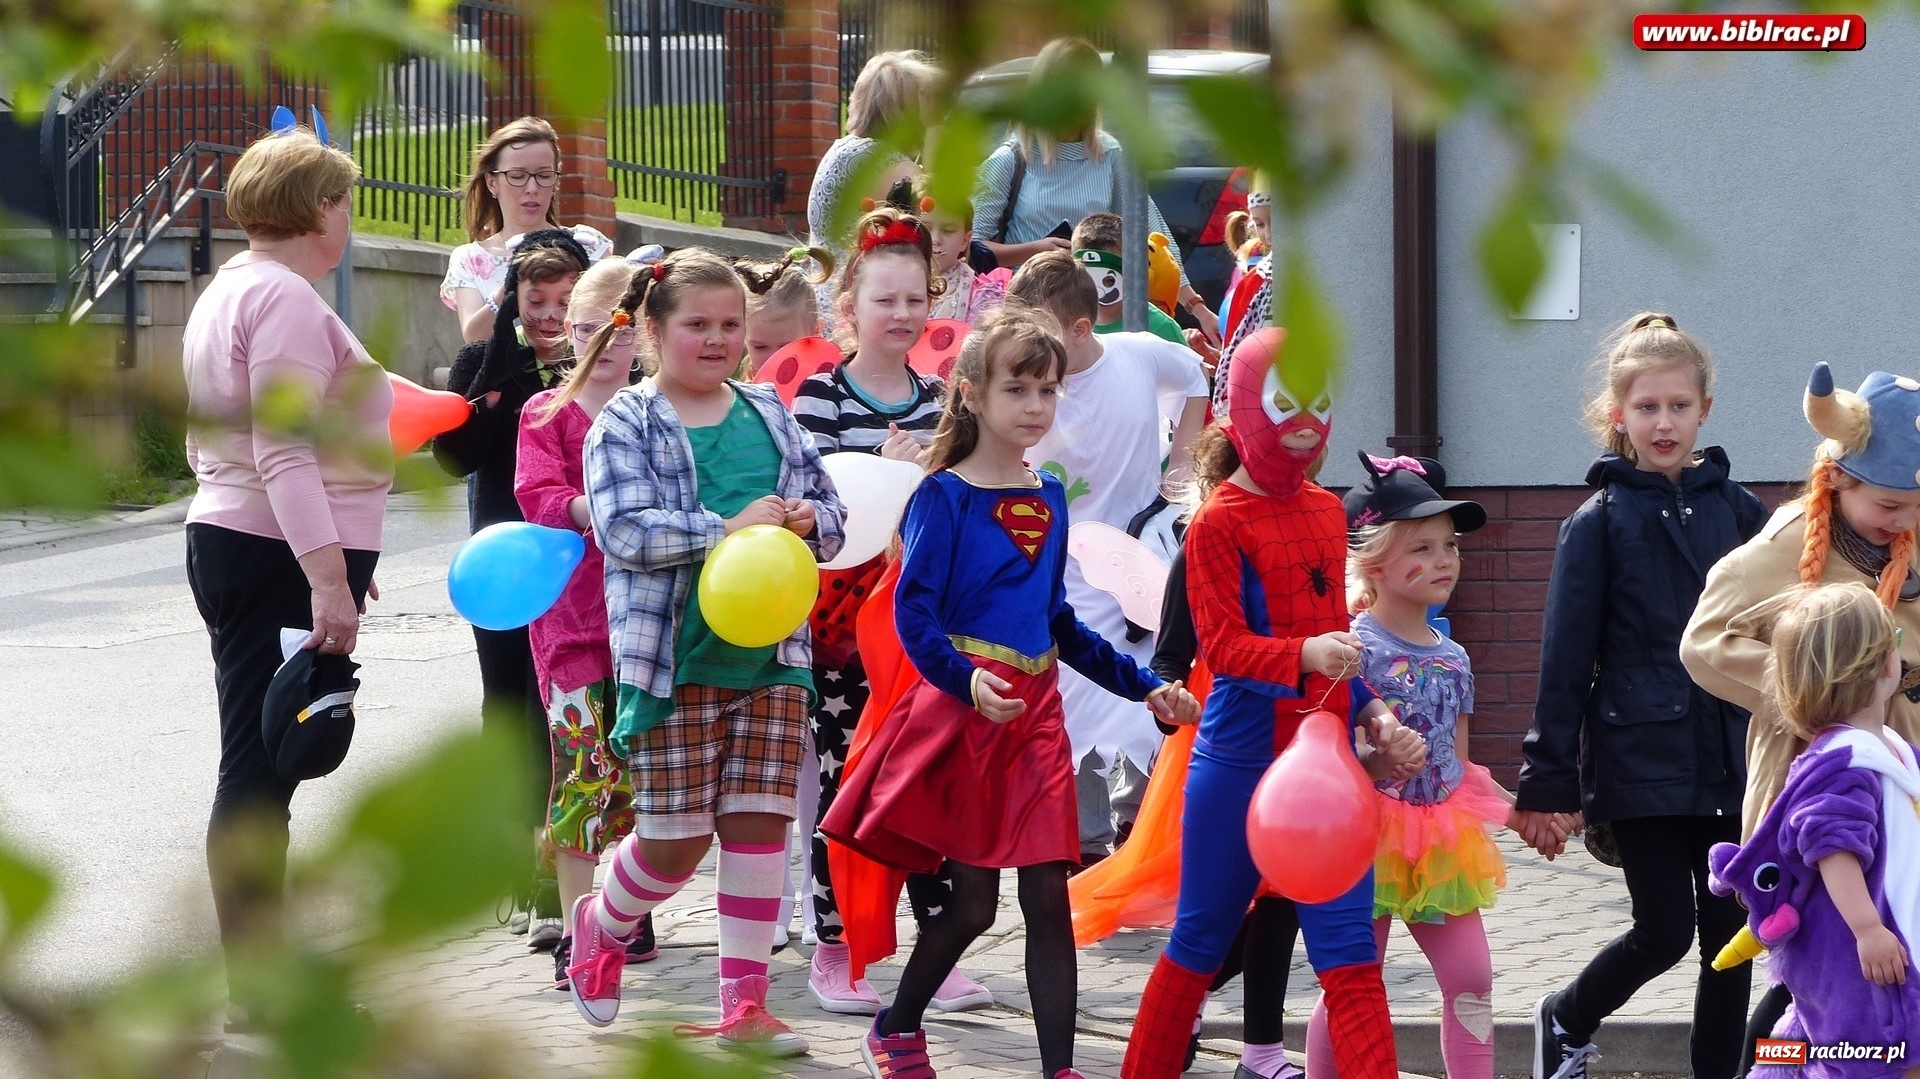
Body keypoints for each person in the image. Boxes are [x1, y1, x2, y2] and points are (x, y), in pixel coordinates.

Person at [821, 302, 1200, 1079]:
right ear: (971, 393)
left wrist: (1147, 687)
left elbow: (1056, 619)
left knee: (1047, 898)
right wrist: (966, 681)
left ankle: (1059, 1068)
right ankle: (896, 1026)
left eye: (1048, 390)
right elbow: (913, 616)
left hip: (1035, 723)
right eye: (1018, 389)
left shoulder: (1049, 494)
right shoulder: (943, 497)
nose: (1035, 406)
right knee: (972, 906)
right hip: (964, 720)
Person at [562, 248, 845, 1055]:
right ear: (652, 330)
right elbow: (622, 530)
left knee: (758, 825)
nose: (718, 339)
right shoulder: (626, 419)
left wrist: (800, 518)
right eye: (697, 325)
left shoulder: (768, 410)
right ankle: (600, 919)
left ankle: (744, 1007)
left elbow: (832, 511)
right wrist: (730, 528)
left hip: (772, 657)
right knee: (677, 840)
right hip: (672, 658)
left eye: (731, 324)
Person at [1121, 327, 1422, 1079]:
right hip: (1239, 758)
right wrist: (1306, 655)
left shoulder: (1327, 512)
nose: (1305, 422)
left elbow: (1333, 650)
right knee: (1197, 946)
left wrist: (1371, 711)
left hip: (1324, 769)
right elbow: (1221, 650)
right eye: (1286, 402)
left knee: (1351, 957)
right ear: (1248, 404)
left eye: (1318, 403)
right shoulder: (1218, 520)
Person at [1515, 313, 1766, 1079]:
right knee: (1663, 931)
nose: (1664, 422)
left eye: (1679, 406)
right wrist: (1547, 781)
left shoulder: (1742, 512)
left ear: (1705, 410)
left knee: (1731, 937)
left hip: (1731, 754)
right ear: (1618, 413)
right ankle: (1566, 1013)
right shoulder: (1597, 522)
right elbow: (1565, 659)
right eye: (1647, 406)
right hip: (1639, 757)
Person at [181, 124, 391, 1027]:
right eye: (343, 199)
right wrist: (326, 576)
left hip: (251, 542)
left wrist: (339, 554)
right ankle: (259, 993)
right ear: (319, 208)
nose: (349, 216)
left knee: (262, 761)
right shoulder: (289, 301)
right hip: (269, 549)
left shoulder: (233, 286)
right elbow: (284, 452)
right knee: (260, 767)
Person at [1682, 359, 1920, 1064]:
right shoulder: (1788, 544)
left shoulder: (1904, 533)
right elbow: (1704, 642)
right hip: (1819, 789)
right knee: (1828, 964)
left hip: (1898, 780)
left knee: (1858, 969)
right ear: (1840, 479)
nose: (1906, 523)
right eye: (1891, 506)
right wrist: (1826, 693)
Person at [789, 206, 992, 1015]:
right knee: (847, 789)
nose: (902, 314)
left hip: (927, 629)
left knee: (927, 788)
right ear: (850, 307)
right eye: (884, 300)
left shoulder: (946, 399)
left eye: (916, 299)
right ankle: (836, 949)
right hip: (843, 632)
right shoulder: (817, 395)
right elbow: (813, 503)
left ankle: (933, 955)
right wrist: (874, 464)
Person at [1305, 452, 1509, 1079]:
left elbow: (1460, 764)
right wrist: (1376, 759)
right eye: (1422, 547)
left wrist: (1522, 810)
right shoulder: (1350, 649)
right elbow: (1322, 754)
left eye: (1450, 546)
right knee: (1353, 981)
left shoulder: (1454, 656)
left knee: (1472, 978)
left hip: (1440, 841)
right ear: (1373, 561)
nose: (1445, 560)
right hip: (1362, 836)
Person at [1005, 251, 1208, 868]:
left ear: (1081, 330)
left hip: (1140, 562)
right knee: (1075, 695)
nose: (1027, 354)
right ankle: (1081, 844)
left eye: (1039, 337)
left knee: (1147, 692)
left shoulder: (1138, 354)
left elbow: (1196, 377)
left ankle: (1138, 834)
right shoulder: (1031, 387)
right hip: (1062, 567)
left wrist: (1182, 466)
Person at [434, 229, 591, 944]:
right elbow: (452, 456)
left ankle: (559, 874)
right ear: (512, 301)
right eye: (536, 301)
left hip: (580, 566)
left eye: (566, 300)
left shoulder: (600, 368)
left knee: (556, 714)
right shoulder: (488, 360)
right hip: (503, 564)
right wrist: (494, 365)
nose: (552, 316)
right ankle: (521, 859)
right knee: (507, 707)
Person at [1706, 582, 1920, 1078]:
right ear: (1884, 664)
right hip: (1861, 956)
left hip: (1883, 948)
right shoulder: (1843, 761)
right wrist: (1868, 929)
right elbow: (1833, 847)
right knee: (1876, 1057)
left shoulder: (1887, 748)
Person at [516, 258, 648, 988]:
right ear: (569, 331)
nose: (606, 346)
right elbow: (536, 492)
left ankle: (623, 913)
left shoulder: (651, 412)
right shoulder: (546, 413)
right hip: (571, 627)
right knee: (584, 773)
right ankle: (575, 931)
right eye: (591, 329)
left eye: (622, 331)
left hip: (647, 626)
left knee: (642, 774)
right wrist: (594, 512)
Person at [971, 37, 1219, 344]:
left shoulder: (1110, 154)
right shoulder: (1012, 158)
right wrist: (1036, 249)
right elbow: (971, 248)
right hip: (1030, 319)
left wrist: (1197, 308)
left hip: (1096, 314)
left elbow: (1151, 236)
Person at [441, 117, 614, 343]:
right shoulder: (469, 259)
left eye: (543, 176)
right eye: (517, 176)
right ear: (492, 183)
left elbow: (615, 324)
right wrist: (511, 285)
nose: (532, 188)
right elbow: (474, 338)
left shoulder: (589, 245)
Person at [807, 51, 941, 260]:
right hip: (865, 287)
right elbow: (933, 226)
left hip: (826, 283)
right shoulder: (895, 168)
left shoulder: (841, 149)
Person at [1069, 212, 1187, 345]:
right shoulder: (1067, 325)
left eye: (1109, 281)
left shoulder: (1160, 328)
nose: (1099, 291)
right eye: (1090, 279)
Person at [739, 246, 833, 377]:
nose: (773, 359)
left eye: (785, 347)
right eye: (759, 347)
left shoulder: (828, 388)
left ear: (816, 331)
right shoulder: (743, 391)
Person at [926, 192, 1007, 324]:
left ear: (965, 240)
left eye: (948, 230)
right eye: (926, 228)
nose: (935, 240)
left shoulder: (982, 299)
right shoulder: (891, 282)